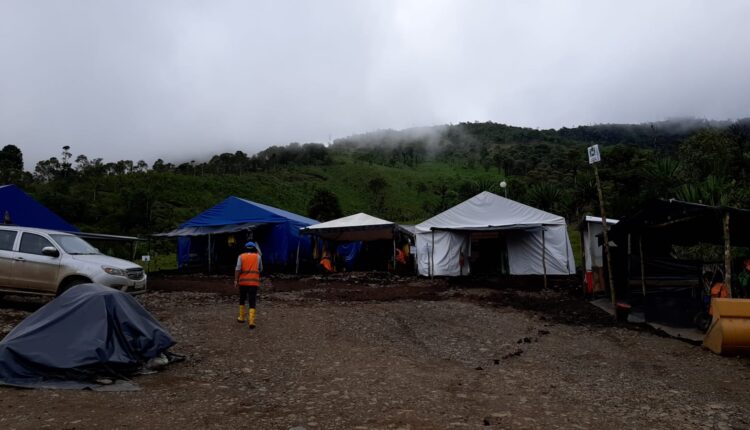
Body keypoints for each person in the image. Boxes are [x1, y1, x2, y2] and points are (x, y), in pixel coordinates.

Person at [234, 241, 262, 329]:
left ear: (245, 248)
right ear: (254, 248)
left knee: (242, 298)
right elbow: (260, 269)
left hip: (243, 282)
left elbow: (237, 269)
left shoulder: (241, 256)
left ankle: (241, 317)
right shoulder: (258, 257)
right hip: (254, 282)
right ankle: (251, 321)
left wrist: (236, 280)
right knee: (252, 300)